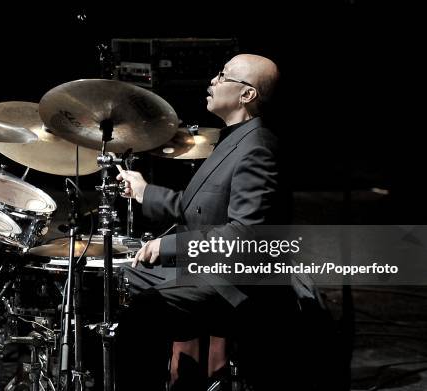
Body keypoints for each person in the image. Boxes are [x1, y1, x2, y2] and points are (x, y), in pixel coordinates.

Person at [115, 54, 338, 390]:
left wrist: (168, 245)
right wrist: (145, 192)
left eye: (222, 76)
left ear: (246, 94)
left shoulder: (257, 148)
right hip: (209, 270)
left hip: (238, 285)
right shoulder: (233, 139)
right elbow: (195, 209)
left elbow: (243, 235)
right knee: (114, 280)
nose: (213, 81)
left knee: (145, 311)